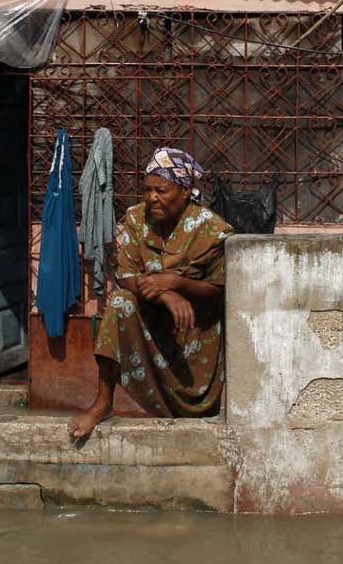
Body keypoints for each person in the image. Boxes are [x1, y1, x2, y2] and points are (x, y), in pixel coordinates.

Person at [68, 147, 233, 440]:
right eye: (147, 189)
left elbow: (219, 287)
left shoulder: (213, 230)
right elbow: (126, 275)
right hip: (152, 325)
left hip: (194, 334)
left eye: (162, 190)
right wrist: (165, 295)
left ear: (185, 192)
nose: (152, 197)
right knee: (119, 302)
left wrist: (177, 283)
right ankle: (102, 402)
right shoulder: (136, 218)